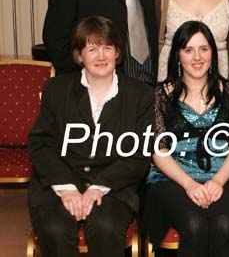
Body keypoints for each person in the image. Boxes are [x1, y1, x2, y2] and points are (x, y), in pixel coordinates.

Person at [28, 16, 153, 257]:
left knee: (104, 228)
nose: (101, 56)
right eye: (92, 49)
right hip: (59, 181)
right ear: (79, 55)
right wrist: (67, 189)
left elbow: (139, 154)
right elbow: (41, 144)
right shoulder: (56, 89)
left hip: (114, 185)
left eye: (107, 48)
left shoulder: (141, 95)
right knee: (55, 229)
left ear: (118, 52)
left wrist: (98, 187)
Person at [142, 20, 229, 257]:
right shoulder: (161, 94)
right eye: (188, 50)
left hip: (223, 178)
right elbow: (158, 151)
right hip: (172, 180)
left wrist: (218, 182)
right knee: (195, 224)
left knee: (224, 224)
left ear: (213, 52)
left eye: (204, 49)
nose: (197, 57)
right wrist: (190, 184)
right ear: (177, 56)